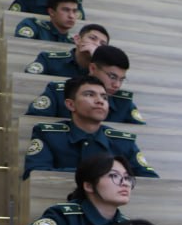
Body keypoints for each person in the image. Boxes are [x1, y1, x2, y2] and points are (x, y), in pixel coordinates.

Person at [22, 76, 158, 179]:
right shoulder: (48, 135)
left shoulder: (123, 142)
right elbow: (34, 174)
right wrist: (99, 175)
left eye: (104, 97)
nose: (100, 101)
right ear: (70, 105)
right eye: (89, 95)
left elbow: (149, 179)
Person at [12, 153, 132, 225]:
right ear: (89, 186)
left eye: (127, 177)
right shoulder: (64, 215)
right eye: (114, 176)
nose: (125, 183)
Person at [26, 45, 146, 124]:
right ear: (93, 68)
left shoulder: (124, 102)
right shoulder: (58, 92)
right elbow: (32, 122)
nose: (117, 85)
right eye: (112, 77)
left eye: (122, 79)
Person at [24, 23, 108, 77]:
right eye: (92, 38)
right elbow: (29, 80)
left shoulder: (104, 71)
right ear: (77, 39)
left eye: (102, 44)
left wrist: (96, 59)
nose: (97, 44)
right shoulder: (49, 60)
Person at [13, 0, 79, 42]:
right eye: (66, 10)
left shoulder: (72, 43)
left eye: (74, 11)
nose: (71, 16)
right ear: (51, 12)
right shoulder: (33, 26)